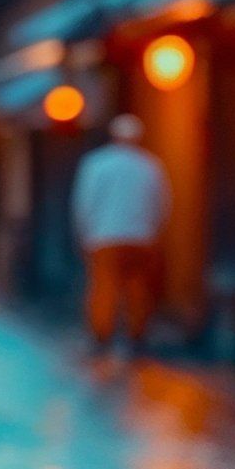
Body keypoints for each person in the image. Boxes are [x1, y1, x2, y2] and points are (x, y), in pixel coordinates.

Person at [70, 113, 171, 355]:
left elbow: (84, 202)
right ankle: (136, 337)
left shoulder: (97, 164)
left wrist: (83, 233)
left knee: (104, 288)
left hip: (104, 236)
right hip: (141, 237)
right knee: (138, 290)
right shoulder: (151, 166)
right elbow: (162, 203)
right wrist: (155, 232)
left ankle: (101, 337)